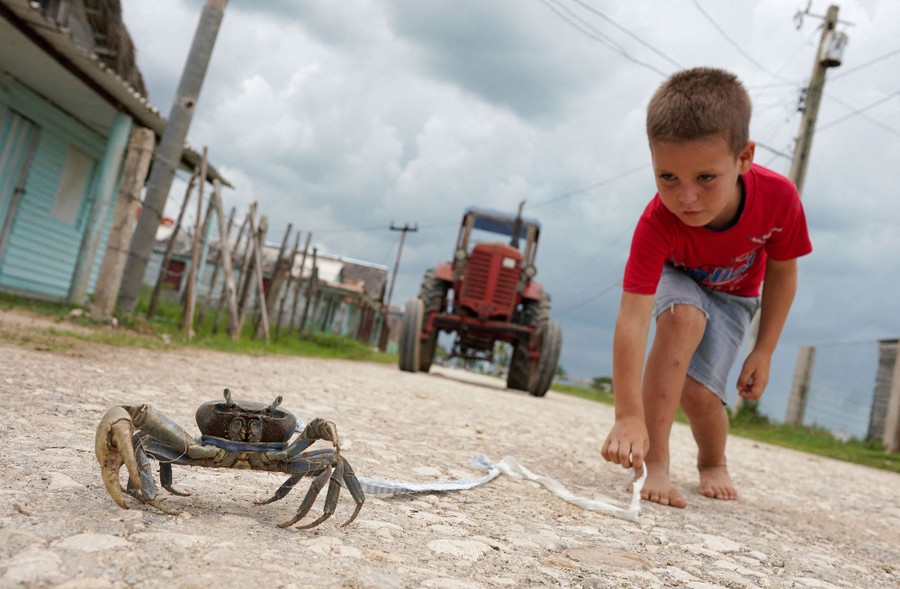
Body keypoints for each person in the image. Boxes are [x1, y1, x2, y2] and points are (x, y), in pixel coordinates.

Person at [600, 67, 812, 508]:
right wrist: (627, 415)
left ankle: (712, 460)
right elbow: (633, 318)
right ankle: (655, 463)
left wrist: (765, 350)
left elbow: (783, 271)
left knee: (699, 396)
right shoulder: (657, 223)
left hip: (736, 294)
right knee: (682, 317)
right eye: (668, 178)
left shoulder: (779, 199)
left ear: (744, 158)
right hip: (682, 279)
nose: (686, 197)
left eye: (706, 178)